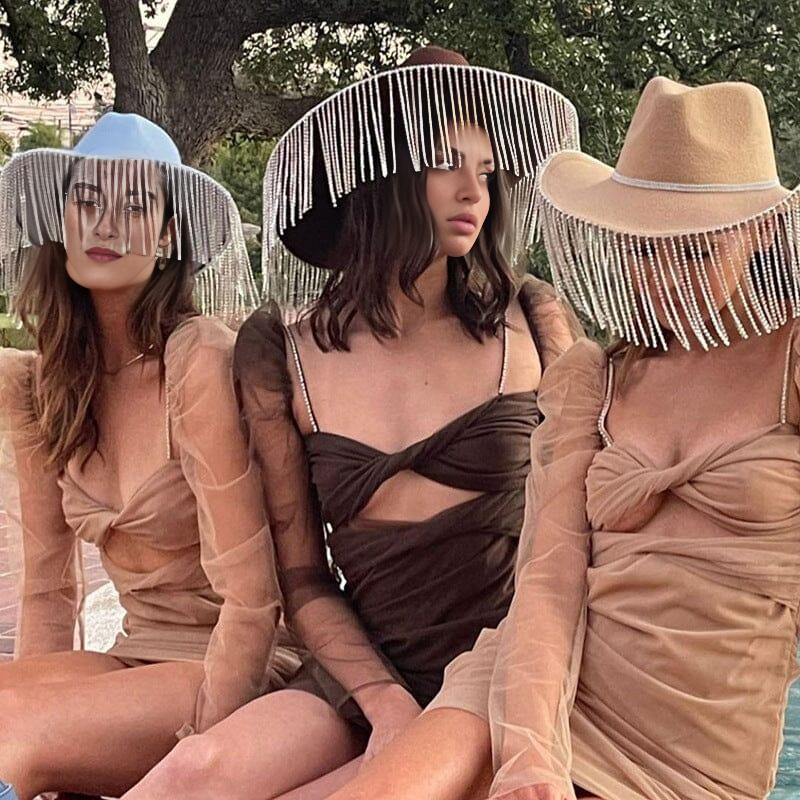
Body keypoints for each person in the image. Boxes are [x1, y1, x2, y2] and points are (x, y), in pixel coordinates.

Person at [121, 46, 583, 800]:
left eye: (488, 168)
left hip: (502, 669)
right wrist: (387, 704)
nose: (475, 189)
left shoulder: (531, 319)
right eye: (446, 163)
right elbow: (303, 577)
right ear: (382, 173)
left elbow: (577, 534)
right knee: (189, 775)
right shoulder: (280, 348)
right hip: (363, 670)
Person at [321, 76, 800, 800]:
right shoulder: (595, 380)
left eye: (697, 254)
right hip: (531, 684)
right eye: (642, 252)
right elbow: (547, 584)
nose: (664, 281)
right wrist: (530, 754)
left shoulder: (789, 363)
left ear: (763, 232)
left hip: (692, 743)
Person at [0, 113, 301, 800]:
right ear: (61, 221)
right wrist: (54, 766)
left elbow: (254, 598)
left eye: (136, 207)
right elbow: (47, 590)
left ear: (168, 237)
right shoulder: (42, 385)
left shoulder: (196, 361)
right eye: (87, 201)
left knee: (13, 730)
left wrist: (206, 747)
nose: (106, 224)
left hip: (236, 663)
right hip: (134, 656)